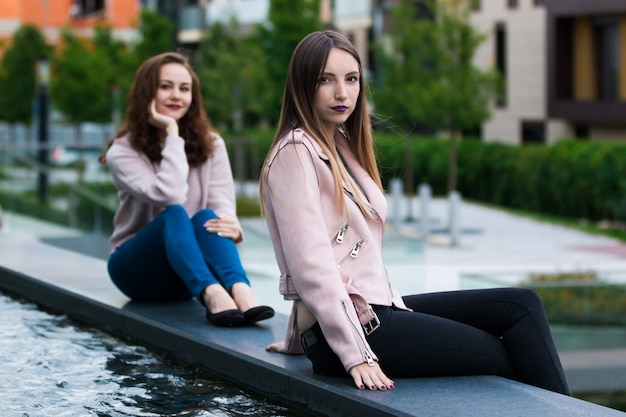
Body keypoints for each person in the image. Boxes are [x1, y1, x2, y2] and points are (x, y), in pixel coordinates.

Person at [259, 30, 571, 394]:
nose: (342, 93)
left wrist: (298, 336)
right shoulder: (295, 152)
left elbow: (326, 255)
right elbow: (310, 265)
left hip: (375, 312)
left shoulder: (338, 144)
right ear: (301, 86)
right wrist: (354, 353)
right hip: (358, 334)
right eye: (325, 80)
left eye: (352, 79)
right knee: (503, 354)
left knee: (521, 306)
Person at [99, 52, 274, 327]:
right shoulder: (122, 151)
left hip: (185, 274)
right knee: (174, 214)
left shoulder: (211, 143)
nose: (176, 96)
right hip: (136, 271)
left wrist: (231, 224)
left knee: (207, 216)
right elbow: (169, 195)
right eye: (165, 86)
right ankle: (214, 294)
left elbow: (221, 203)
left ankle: (241, 290)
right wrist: (172, 132)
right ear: (147, 92)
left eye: (184, 89)